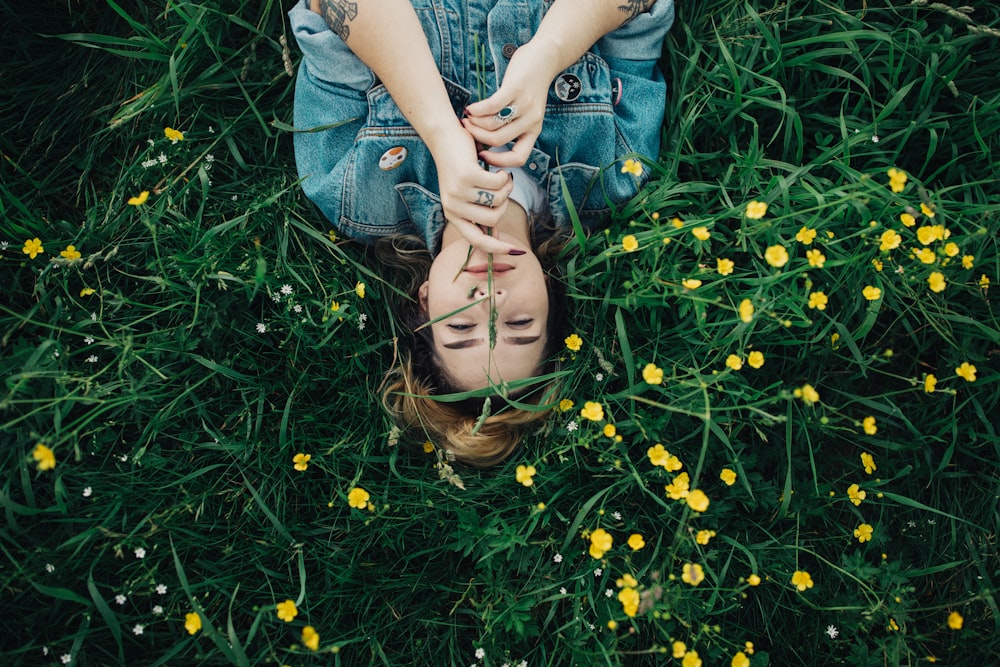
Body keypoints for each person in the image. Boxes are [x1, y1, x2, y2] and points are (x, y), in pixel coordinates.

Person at [290, 0, 674, 465]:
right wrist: (549, 54)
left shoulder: (354, 192)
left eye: (460, 327)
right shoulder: (613, 172)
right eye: (519, 325)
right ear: (550, 296)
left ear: (425, 300)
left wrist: (438, 131)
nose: (490, 299)